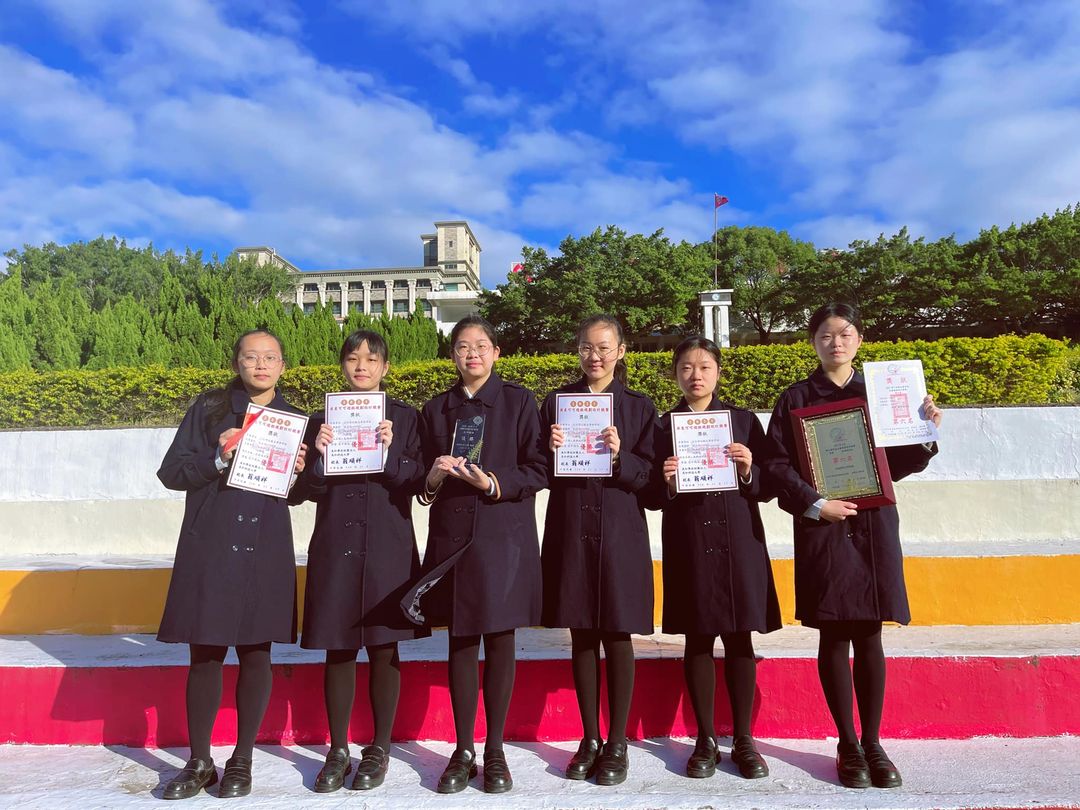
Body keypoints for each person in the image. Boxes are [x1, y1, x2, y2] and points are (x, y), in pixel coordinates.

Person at [765, 303, 942, 789]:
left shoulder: (880, 395)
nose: (836, 342)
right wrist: (815, 503)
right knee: (834, 632)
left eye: (845, 334)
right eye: (826, 335)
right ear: (813, 342)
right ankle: (847, 743)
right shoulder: (796, 398)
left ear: (859, 340)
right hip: (824, 526)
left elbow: (897, 463)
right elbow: (777, 465)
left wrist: (925, 430)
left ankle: (874, 742)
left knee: (869, 634)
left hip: (873, 524)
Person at [157, 329, 307, 800]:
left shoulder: (294, 420)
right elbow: (171, 472)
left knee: (257, 653)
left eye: (270, 357)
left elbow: (301, 494)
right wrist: (218, 457)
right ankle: (199, 760)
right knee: (205, 653)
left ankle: (242, 758)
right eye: (251, 356)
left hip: (265, 545)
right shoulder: (208, 409)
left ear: (282, 366)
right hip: (212, 544)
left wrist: (300, 474)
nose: (261, 364)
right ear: (236, 363)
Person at [290, 330, 429, 792]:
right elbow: (300, 491)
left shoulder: (405, 418)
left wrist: (389, 453)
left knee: (385, 646)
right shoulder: (320, 420)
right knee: (339, 646)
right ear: (342, 366)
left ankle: (380, 747)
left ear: (386, 367)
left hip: (388, 545)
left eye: (371, 359)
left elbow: (419, 481)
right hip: (336, 544)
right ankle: (337, 749)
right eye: (353, 359)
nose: (362, 366)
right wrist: (319, 459)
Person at [416, 315, 546, 794]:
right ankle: (463, 748)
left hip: (503, 537)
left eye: (481, 346)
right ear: (452, 355)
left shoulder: (519, 402)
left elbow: (539, 468)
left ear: (496, 352)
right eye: (462, 347)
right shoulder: (436, 409)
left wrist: (492, 482)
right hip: (452, 540)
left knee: (500, 640)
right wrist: (433, 476)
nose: (472, 354)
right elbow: (421, 482)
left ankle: (495, 749)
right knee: (460, 642)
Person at [652, 336, 781, 779]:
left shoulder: (742, 421)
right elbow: (650, 494)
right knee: (698, 638)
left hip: (739, 540)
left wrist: (747, 469)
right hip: (689, 541)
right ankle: (705, 739)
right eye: (686, 368)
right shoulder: (662, 426)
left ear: (719, 372)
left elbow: (770, 483)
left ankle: (743, 739)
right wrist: (668, 483)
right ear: (675, 374)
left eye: (705, 366)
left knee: (740, 637)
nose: (696, 376)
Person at [541, 314, 658, 786]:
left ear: (621, 351)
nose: (595, 356)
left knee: (617, 633)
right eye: (587, 347)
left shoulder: (639, 408)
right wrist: (549, 449)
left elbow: (652, 482)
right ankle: (589, 737)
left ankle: (617, 741)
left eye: (604, 347)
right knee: (582, 634)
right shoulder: (556, 403)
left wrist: (620, 456)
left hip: (620, 532)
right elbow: (538, 469)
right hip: (572, 528)